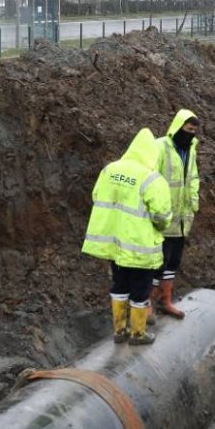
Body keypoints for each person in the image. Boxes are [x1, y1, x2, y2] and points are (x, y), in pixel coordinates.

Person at [81, 128, 172, 345]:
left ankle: (119, 330)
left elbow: (96, 196)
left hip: (114, 244)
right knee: (140, 289)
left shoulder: (110, 170)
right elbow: (161, 216)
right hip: (139, 247)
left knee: (119, 284)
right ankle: (137, 334)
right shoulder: (151, 179)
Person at [149, 109, 201, 322]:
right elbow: (151, 178)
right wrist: (156, 208)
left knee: (173, 261)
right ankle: (148, 304)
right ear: (178, 127)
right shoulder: (160, 147)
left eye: (193, 131)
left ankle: (166, 299)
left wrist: (194, 201)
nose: (190, 134)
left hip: (182, 216)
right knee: (156, 261)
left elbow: (193, 176)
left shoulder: (191, 149)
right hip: (163, 215)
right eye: (187, 130)